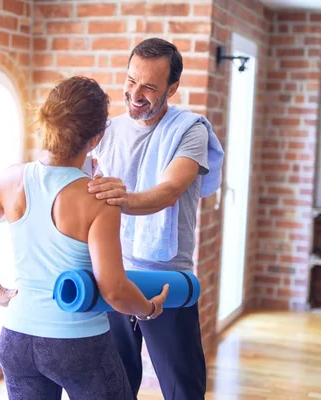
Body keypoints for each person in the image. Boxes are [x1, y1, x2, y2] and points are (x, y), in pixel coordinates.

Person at [0, 76, 169, 400]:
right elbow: (115, 289)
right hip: (79, 345)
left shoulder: (11, 179)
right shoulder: (98, 198)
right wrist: (148, 309)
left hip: (16, 338)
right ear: (95, 139)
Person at [88, 38, 224, 400]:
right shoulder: (108, 130)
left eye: (149, 86)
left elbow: (169, 191)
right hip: (113, 271)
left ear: (172, 88)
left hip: (166, 278)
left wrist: (121, 201)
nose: (136, 93)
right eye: (131, 80)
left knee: (183, 388)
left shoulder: (190, 130)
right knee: (114, 386)